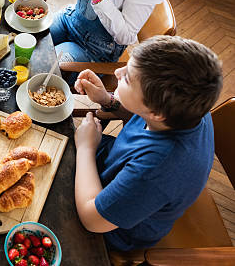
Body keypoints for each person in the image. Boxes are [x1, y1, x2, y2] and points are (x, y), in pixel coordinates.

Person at [73, 35, 223, 251]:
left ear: (156, 113)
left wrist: (86, 148)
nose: (117, 72)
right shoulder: (187, 106)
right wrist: (108, 100)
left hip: (112, 229)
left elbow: (92, 219)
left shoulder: (159, 169)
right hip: (116, 169)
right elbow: (141, 114)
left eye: (127, 79)